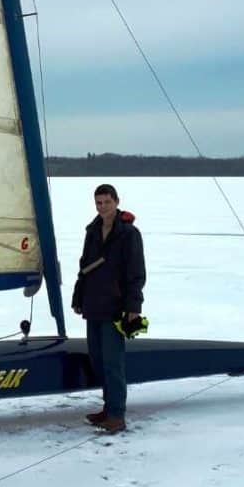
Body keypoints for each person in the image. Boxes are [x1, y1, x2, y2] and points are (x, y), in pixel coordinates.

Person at [71, 183, 146, 433]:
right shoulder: (92, 230)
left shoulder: (128, 233)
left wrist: (133, 306)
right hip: (93, 304)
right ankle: (107, 408)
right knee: (98, 360)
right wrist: (78, 297)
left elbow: (136, 272)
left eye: (106, 202)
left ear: (116, 201)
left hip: (116, 307)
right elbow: (84, 267)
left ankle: (117, 414)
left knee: (113, 362)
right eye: (98, 203)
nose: (102, 207)